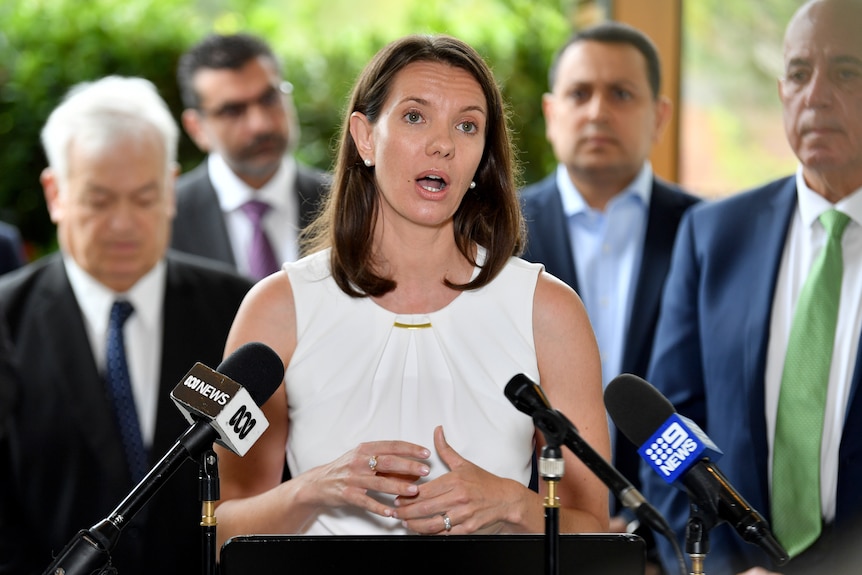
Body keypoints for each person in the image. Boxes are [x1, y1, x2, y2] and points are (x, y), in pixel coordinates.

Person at [211, 34, 610, 547]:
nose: (443, 143)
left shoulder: (548, 310)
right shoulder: (277, 308)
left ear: (481, 159)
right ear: (364, 137)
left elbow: (595, 532)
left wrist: (513, 505)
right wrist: (313, 490)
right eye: (415, 117)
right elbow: (221, 528)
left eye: (467, 126)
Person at [0, 76, 254, 575]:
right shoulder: (7, 320)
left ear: (172, 188)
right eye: (98, 200)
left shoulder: (240, 308)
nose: (123, 224)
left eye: (143, 198)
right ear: (55, 192)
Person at [643, 1, 862, 573]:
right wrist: (716, 567)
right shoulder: (714, 234)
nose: (815, 96)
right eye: (797, 73)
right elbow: (667, 433)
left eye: (845, 72)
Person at [519, 19, 699, 558]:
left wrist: (657, 543)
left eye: (621, 94)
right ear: (552, 114)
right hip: (530, 534)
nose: (597, 112)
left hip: (671, 543)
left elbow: (708, 410)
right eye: (580, 94)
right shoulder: (495, 232)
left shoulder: (708, 233)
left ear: (659, 116)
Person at [172, 33, 330, 281]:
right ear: (197, 128)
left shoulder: (347, 202)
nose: (260, 125)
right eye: (232, 111)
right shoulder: (168, 218)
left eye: (270, 98)